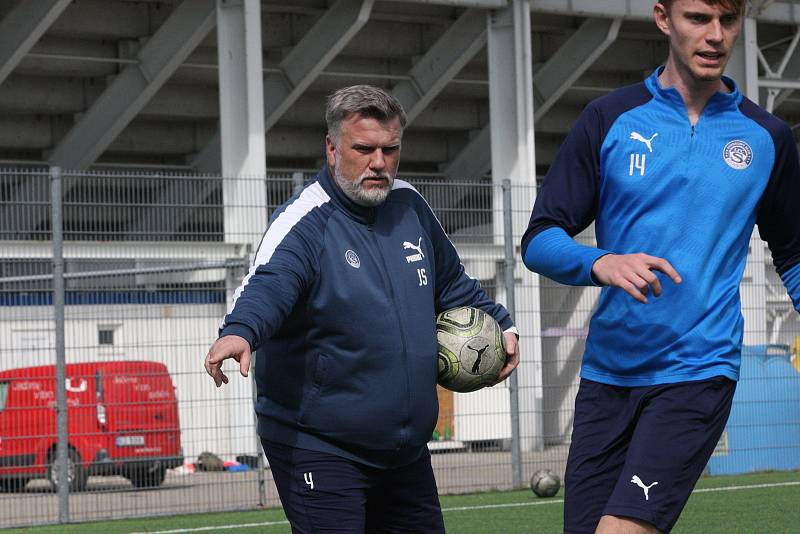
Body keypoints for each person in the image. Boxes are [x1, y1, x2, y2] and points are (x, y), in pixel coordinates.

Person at [521, 1, 800, 533]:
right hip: (607, 375)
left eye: (729, 19)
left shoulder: (766, 137)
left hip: (699, 370)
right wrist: (600, 261)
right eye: (699, 18)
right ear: (663, 18)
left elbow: (794, 252)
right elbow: (539, 239)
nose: (716, 35)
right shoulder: (609, 119)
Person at [205, 85, 520, 533]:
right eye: (364, 148)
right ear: (332, 148)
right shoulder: (304, 222)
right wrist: (240, 331)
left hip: (406, 452)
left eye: (390, 150)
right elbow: (269, 284)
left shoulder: (410, 205)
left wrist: (504, 325)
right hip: (320, 446)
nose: (379, 162)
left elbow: (454, 285)